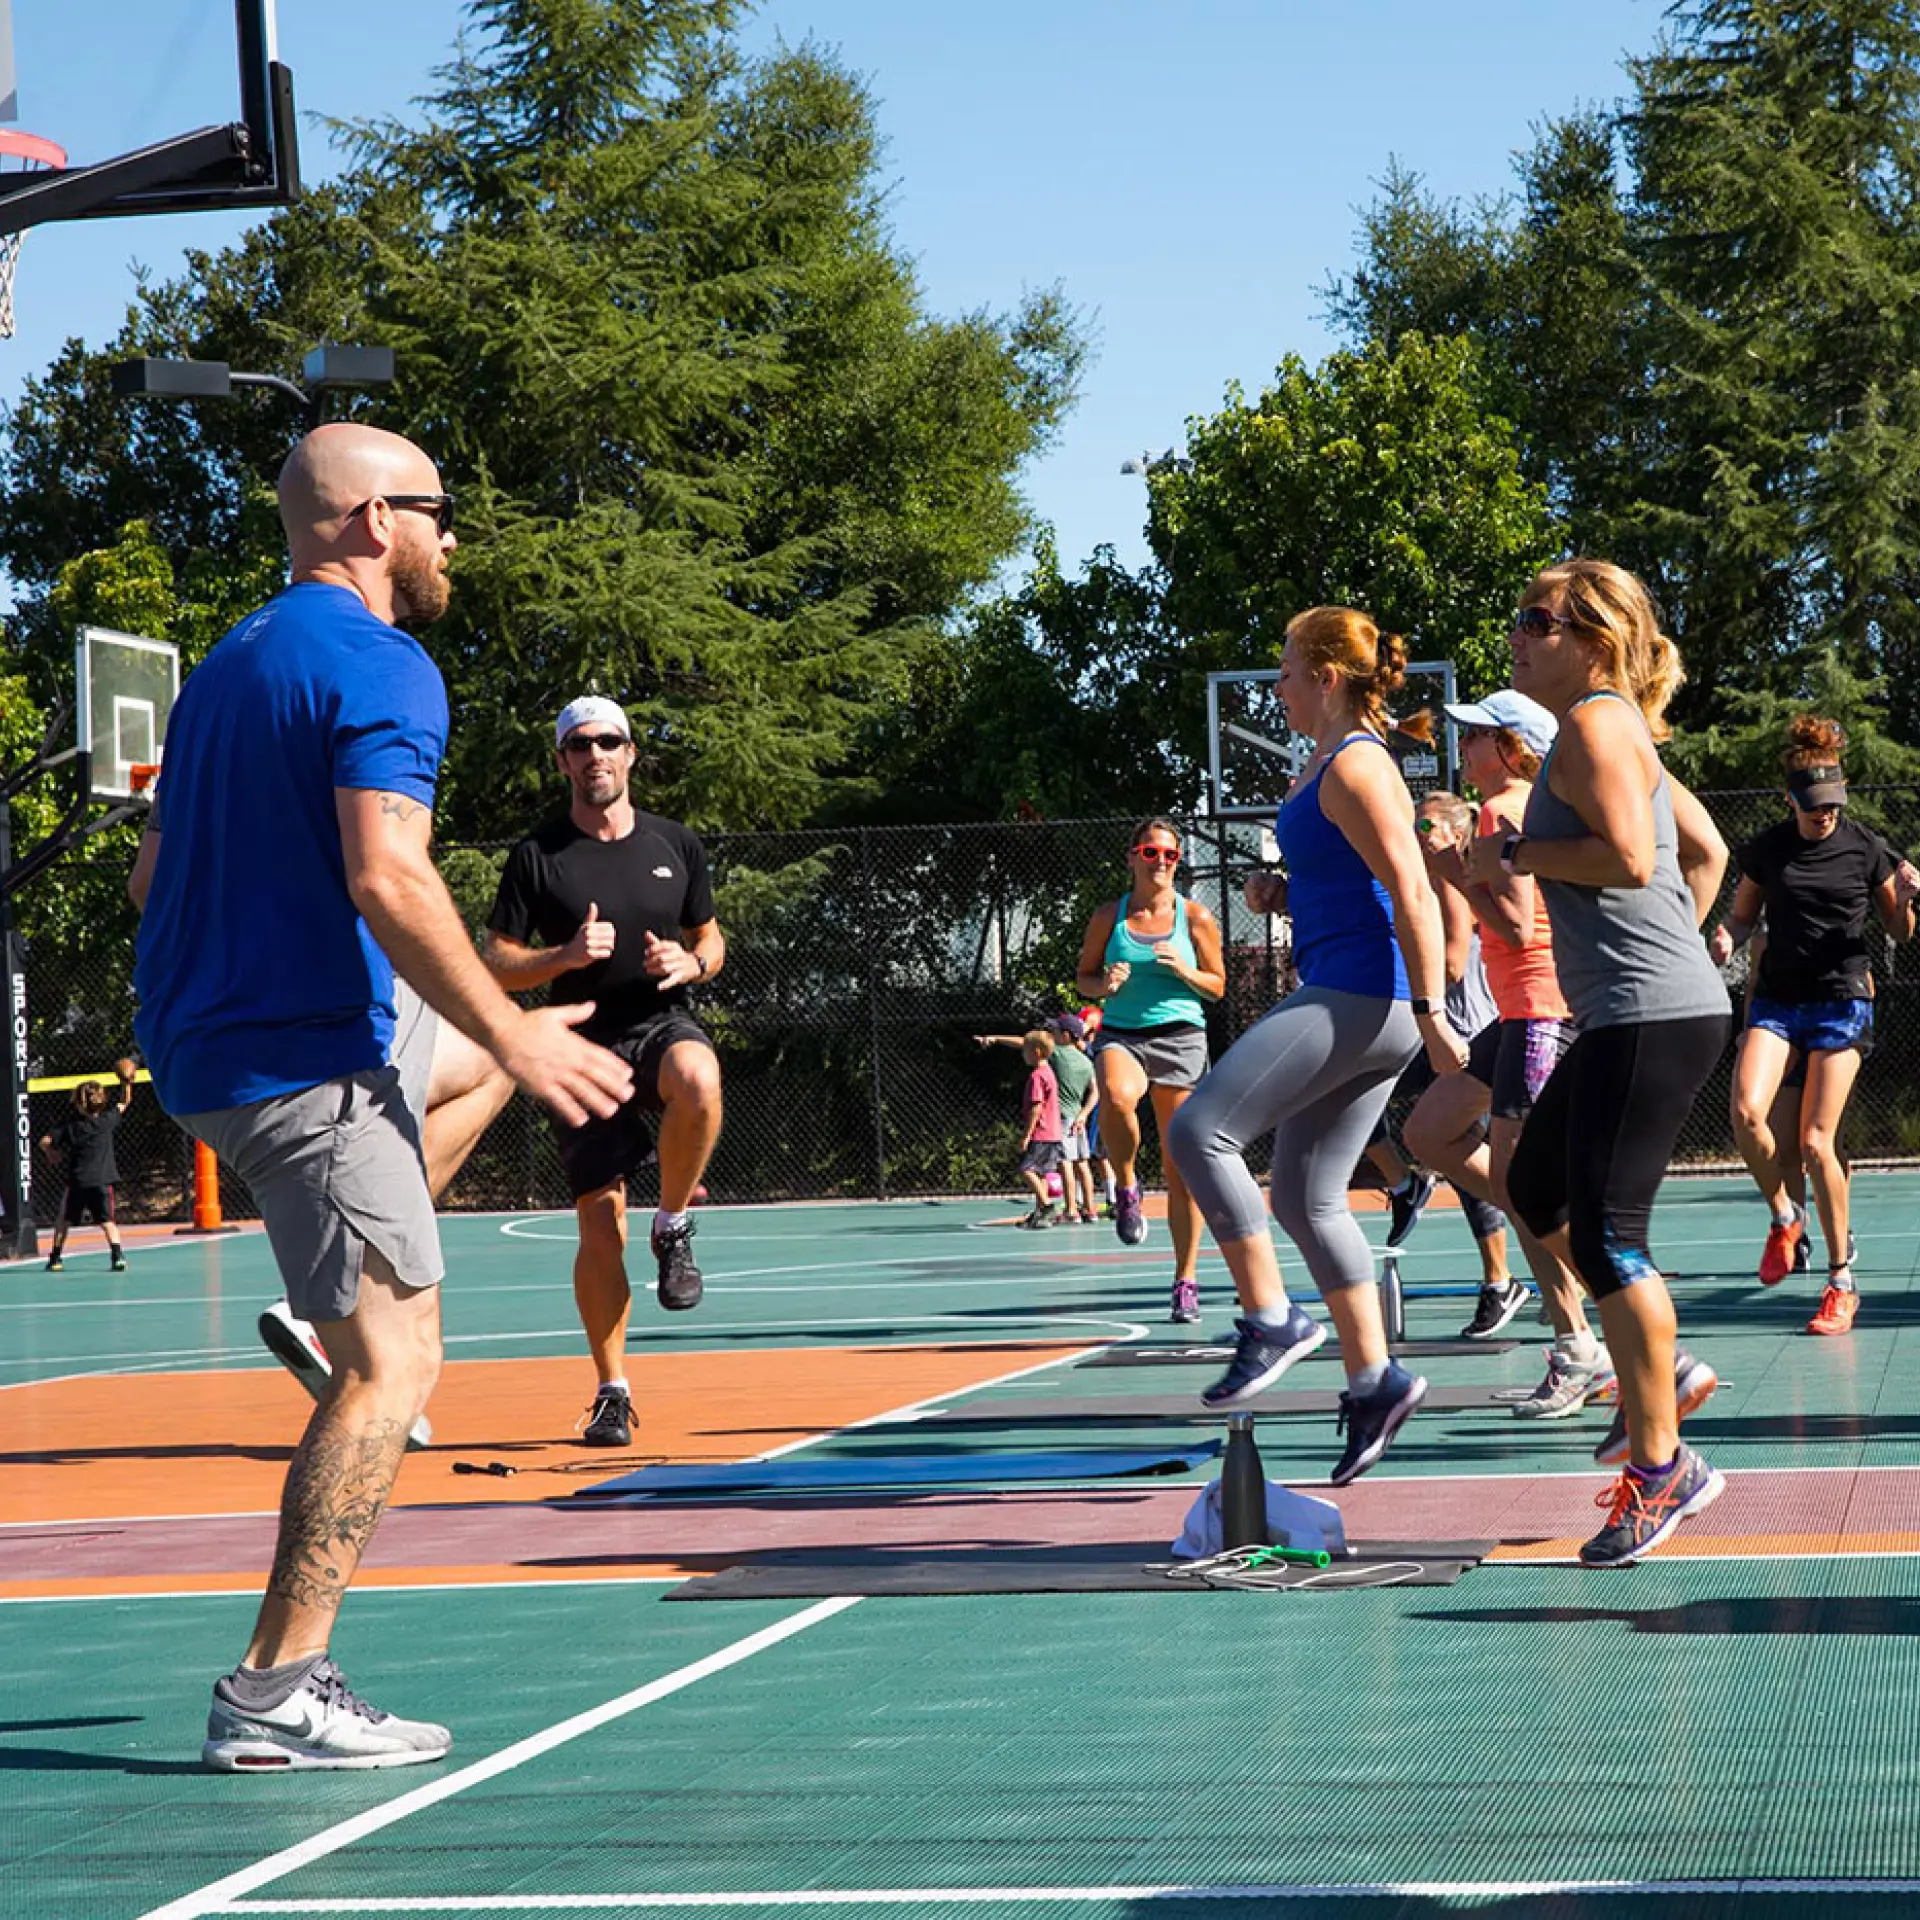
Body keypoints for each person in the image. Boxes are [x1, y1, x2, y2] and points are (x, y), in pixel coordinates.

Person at [128, 423, 632, 1771]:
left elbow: (146, 883)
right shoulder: (381, 664)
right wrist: (523, 1042)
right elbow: (388, 879)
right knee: (394, 1366)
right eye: (438, 508)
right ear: (369, 522)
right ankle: (274, 1691)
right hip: (297, 1060)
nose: (452, 533)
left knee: (460, 1053)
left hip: (208, 1039)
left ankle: (324, 1288)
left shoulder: (229, 667)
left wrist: (486, 1031)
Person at [1165, 607, 1467, 1486]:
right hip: (1356, 989)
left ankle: (1271, 1317)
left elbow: (1412, 889)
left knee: (1198, 1132)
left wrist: (1432, 1008)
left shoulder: (1358, 762)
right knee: (1306, 1197)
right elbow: (1355, 885)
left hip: (1364, 998)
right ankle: (1375, 1379)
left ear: (1328, 677)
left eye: (1289, 670)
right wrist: (1284, 892)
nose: (1279, 685)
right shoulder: (1328, 764)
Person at [1468, 557, 1729, 1566]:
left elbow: (1627, 857)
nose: (1518, 637)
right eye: (1519, 617)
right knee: (1533, 1184)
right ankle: (1660, 1365)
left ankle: (1665, 1471)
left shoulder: (1596, 725)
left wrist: (1515, 860)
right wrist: (1665, 949)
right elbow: (1698, 853)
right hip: (1638, 1008)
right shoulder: (1615, 732)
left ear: (1596, 640)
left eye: (1537, 621)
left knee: (1613, 1235)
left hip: (1648, 1016)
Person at [485, 697, 727, 1448]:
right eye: (580, 745)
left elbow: (711, 940)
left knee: (699, 1077)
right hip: (578, 1046)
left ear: (630, 754)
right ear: (562, 761)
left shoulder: (675, 844)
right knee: (599, 1224)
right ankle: (612, 1389)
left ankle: (675, 1221)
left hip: (658, 1023)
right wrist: (560, 958)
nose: (596, 755)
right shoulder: (538, 855)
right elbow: (495, 962)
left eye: (609, 742)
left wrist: (692, 962)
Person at [1406, 698, 1614, 1413]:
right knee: (1428, 1132)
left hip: (1536, 1012)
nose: (1463, 743)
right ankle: (1578, 1284)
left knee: (1521, 1184)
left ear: (1510, 746)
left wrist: (1451, 871)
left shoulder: (1502, 811)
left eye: (1477, 734)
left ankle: (1580, 1343)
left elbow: (1520, 926)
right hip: (1516, 1015)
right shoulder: (1518, 804)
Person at [1709, 717, 1919, 1334]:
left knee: (1815, 1142)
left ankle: (1840, 1280)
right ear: (1790, 801)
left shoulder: (1866, 848)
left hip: (1841, 999)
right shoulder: (1768, 848)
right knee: (1747, 1115)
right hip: (1776, 1001)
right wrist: (1728, 934)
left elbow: (1901, 932)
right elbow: (1743, 917)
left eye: (1832, 805)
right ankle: (1783, 1217)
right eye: (1812, 807)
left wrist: (1907, 900)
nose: (1823, 815)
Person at [1361, 788, 1521, 1336]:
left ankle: (1500, 1280)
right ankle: (1405, 1184)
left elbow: (1452, 961)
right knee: (1357, 1093)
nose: (1417, 834)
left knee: (1470, 1148)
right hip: (1430, 1029)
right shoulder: (1416, 880)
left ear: (1456, 835)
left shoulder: (1453, 882)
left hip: (1464, 1032)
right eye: (1413, 825)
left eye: (1427, 826)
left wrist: (1405, 965)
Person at [1073, 819, 1226, 1324]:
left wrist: (1184, 971)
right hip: (1122, 1034)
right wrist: (1106, 983)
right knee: (1116, 1097)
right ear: (1132, 857)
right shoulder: (1108, 917)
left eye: (1170, 855)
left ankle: (1185, 1280)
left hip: (1182, 1037)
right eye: (1151, 852)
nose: (1161, 862)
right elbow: (1085, 981)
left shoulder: (1196, 917)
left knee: (1181, 1166)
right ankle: (1126, 1184)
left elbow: (1218, 987)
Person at [973, 1014, 1100, 1225]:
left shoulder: (1057, 1054)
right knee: (1083, 1164)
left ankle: (1071, 1210)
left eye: (1056, 1032)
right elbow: (1095, 1091)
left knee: (1065, 1164)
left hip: (1060, 1119)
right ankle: (1090, 1209)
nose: (1051, 1035)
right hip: (1078, 1119)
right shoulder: (1086, 1061)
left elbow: (1026, 1042)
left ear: (1066, 1036)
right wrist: (1084, 1114)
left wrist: (994, 1038)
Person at [40, 1060, 138, 1272]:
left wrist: (51, 1153)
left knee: (63, 1221)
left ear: (78, 1103)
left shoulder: (70, 1126)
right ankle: (117, 1255)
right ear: (101, 1102)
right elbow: (125, 1102)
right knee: (107, 1222)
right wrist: (127, 1083)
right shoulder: (107, 1120)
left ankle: (55, 1258)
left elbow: (45, 1140)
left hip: (78, 1181)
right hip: (102, 1181)